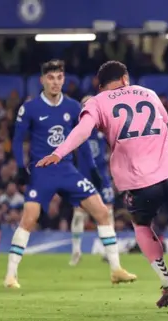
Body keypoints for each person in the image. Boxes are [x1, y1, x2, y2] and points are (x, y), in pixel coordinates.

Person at [36, 60, 168, 314]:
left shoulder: (97, 101)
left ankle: (167, 283)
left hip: (139, 181)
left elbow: (83, 131)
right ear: (125, 79)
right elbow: (164, 118)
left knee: (141, 226)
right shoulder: (147, 93)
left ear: (100, 85)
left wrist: (59, 153)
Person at [5, 59, 136, 289]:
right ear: (42, 80)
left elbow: (83, 143)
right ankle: (11, 275)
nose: (55, 82)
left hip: (67, 170)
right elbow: (17, 141)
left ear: (63, 79)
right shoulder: (30, 108)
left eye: (59, 77)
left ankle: (116, 269)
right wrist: (19, 167)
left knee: (102, 212)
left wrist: (93, 171)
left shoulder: (74, 107)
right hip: (42, 171)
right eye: (51, 78)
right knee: (29, 218)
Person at [69, 95, 118, 266]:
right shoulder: (77, 128)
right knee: (79, 214)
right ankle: (76, 251)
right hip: (83, 176)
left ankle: (108, 252)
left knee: (108, 212)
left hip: (102, 176)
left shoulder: (103, 126)